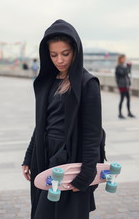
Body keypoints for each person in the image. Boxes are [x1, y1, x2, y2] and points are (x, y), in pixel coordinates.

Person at [22, 19, 102, 219]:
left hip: (70, 159)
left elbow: (92, 133)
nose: (59, 60)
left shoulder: (87, 83)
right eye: (53, 54)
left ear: (75, 51)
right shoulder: (47, 81)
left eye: (65, 54)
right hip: (44, 156)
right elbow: (41, 123)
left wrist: (86, 173)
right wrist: (29, 156)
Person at [115, 54, 135, 119]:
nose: (124, 60)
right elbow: (123, 73)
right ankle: (120, 113)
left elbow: (128, 72)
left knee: (128, 99)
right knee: (122, 99)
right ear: (120, 59)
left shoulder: (123, 66)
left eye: (125, 59)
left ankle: (129, 112)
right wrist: (128, 66)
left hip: (126, 85)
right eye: (123, 59)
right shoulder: (118, 67)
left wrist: (129, 66)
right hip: (122, 85)